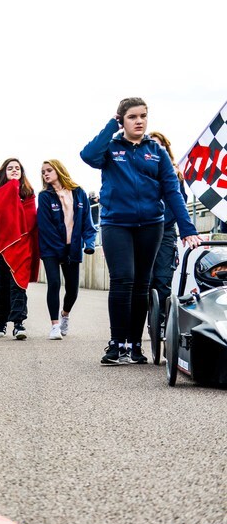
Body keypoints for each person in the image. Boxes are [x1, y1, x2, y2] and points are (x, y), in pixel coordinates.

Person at [81, 98, 201, 365]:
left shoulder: (156, 151)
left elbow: (172, 191)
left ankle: (135, 345)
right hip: (116, 224)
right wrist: (110, 127)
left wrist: (187, 228)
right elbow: (87, 155)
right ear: (121, 120)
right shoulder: (110, 149)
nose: (139, 121)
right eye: (132, 117)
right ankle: (116, 344)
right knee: (123, 279)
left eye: (143, 116)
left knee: (142, 285)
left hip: (151, 225)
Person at [37, 160, 97, 340]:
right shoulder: (45, 196)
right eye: (43, 172)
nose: (45, 174)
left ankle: (65, 314)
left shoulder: (79, 193)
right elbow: (45, 227)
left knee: (72, 290)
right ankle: (54, 326)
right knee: (54, 283)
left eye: (49, 170)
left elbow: (87, 221)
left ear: (59, 170)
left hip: (73, 247)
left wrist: (90, 243)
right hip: (51, 248)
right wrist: (60, 250)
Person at [0, 158, 38, 339]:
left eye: (17, 168)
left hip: (21, 246)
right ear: (4, 172)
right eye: (10, 168)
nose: (14, 171)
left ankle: (19, 323)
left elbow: (29, 219)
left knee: (18, 286)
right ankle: (1, 323)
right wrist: (10, 188)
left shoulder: (28, 193)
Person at [147, 131, 188, 336]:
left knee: (163, 279)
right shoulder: (142, 171)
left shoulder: (175, 173)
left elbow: (180, 201)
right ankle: (148, 320)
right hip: (144, 229)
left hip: (166, 230)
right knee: (146, 279)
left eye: (158, 145)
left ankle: (161, 325)